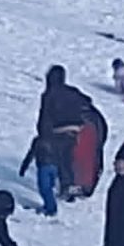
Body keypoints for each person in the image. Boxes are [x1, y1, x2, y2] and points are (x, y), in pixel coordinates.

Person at [37, 65, 93, 199]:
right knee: (68, 160)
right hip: (75, 131)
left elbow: (45, 117)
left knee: (60, 160)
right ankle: (71, 188)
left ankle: (65, 187)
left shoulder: (48, 95)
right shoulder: (72, 91)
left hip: (58, 131)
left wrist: (43, 134)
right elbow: (88, 100)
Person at [19, 132, 59, 217]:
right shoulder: (56, 139)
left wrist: (24, 167)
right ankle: (50, 205)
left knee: (44, 188)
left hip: (43, 166)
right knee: (50, 188)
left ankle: (50, 209)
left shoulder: (38, 140)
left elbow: (31, 154)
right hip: (55, 166)